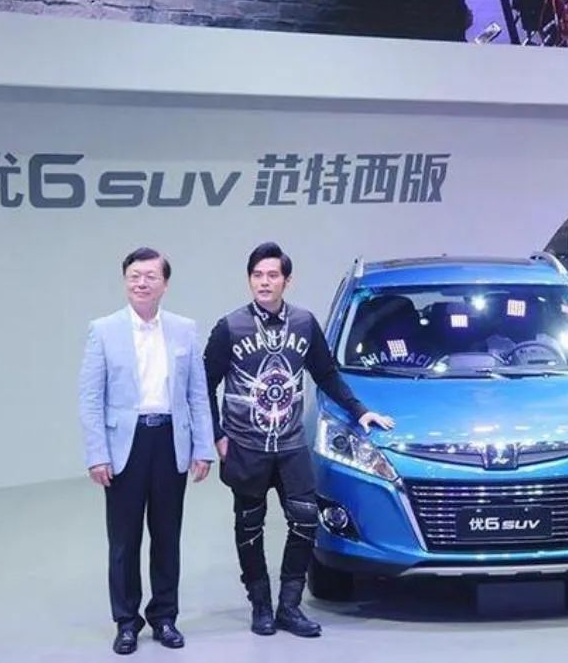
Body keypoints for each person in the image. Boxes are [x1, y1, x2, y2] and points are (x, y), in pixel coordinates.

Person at [204, 242, 394, 638]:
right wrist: (217, 436)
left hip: (291, 445)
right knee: (249, 526)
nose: (264, 282)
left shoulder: (304, 323)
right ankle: (260, 605)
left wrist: (360, 411)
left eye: (272, 275)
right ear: (249, 279)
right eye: (257, 275)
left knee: (306, 520)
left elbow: (326, 374)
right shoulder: (230, 327)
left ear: (286, 281)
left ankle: (289, 606)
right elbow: (204, 384)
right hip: (246, 446)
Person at [78, 247, 215, 655]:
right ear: (125, 281)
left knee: (167, 535)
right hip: (126, 443)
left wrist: (203, 447)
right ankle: (126, 621)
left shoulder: (184, 329)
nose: (141, 283)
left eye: (150, 276)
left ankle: (165, 617)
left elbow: (197, 394)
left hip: (171, 440)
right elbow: (90, 397)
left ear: (165, 284)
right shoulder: (103, 330)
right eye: (134, 276)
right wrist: (97, 453)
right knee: (124, 539)